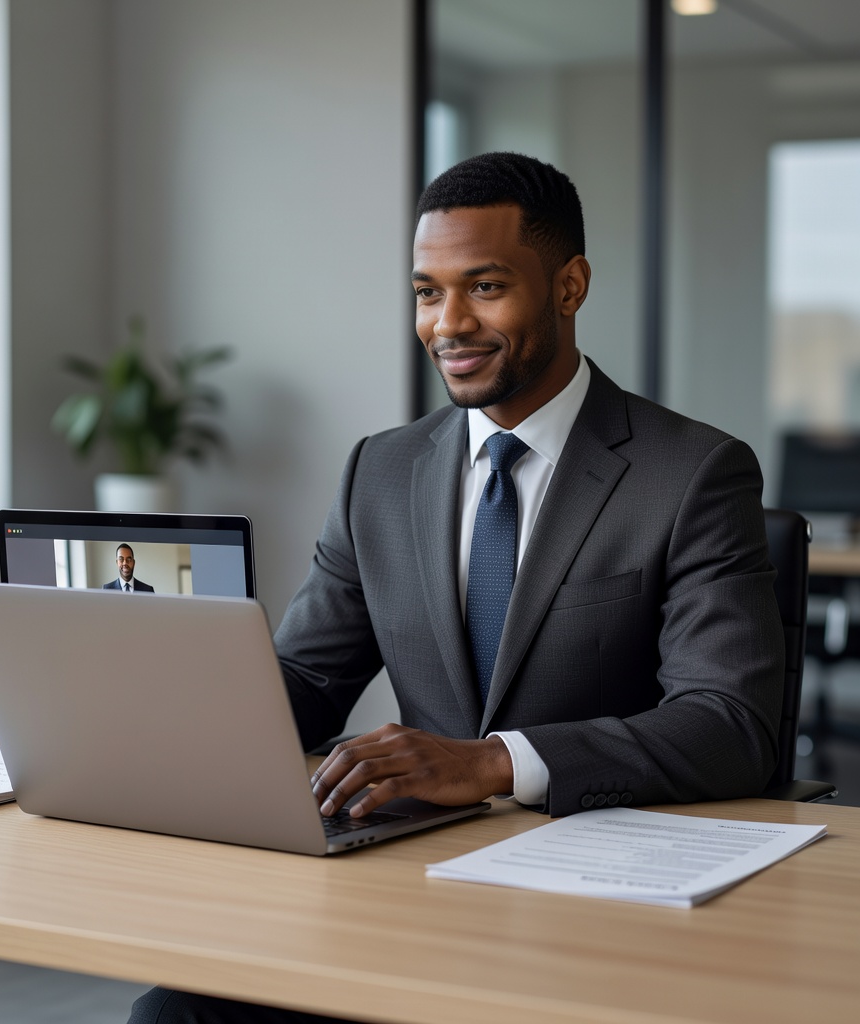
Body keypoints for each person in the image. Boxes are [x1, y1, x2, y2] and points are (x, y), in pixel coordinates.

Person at [128, 151, 783, 1024]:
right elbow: (310, 681)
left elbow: (730, 724)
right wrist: (149, 718)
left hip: (601, 891)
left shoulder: (692, 472)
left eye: (484, 287)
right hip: (411, 881)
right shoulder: (382, 470)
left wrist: (489, 762)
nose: (449, 324)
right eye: (427, 293)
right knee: (177, 1012)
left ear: (569, 286)